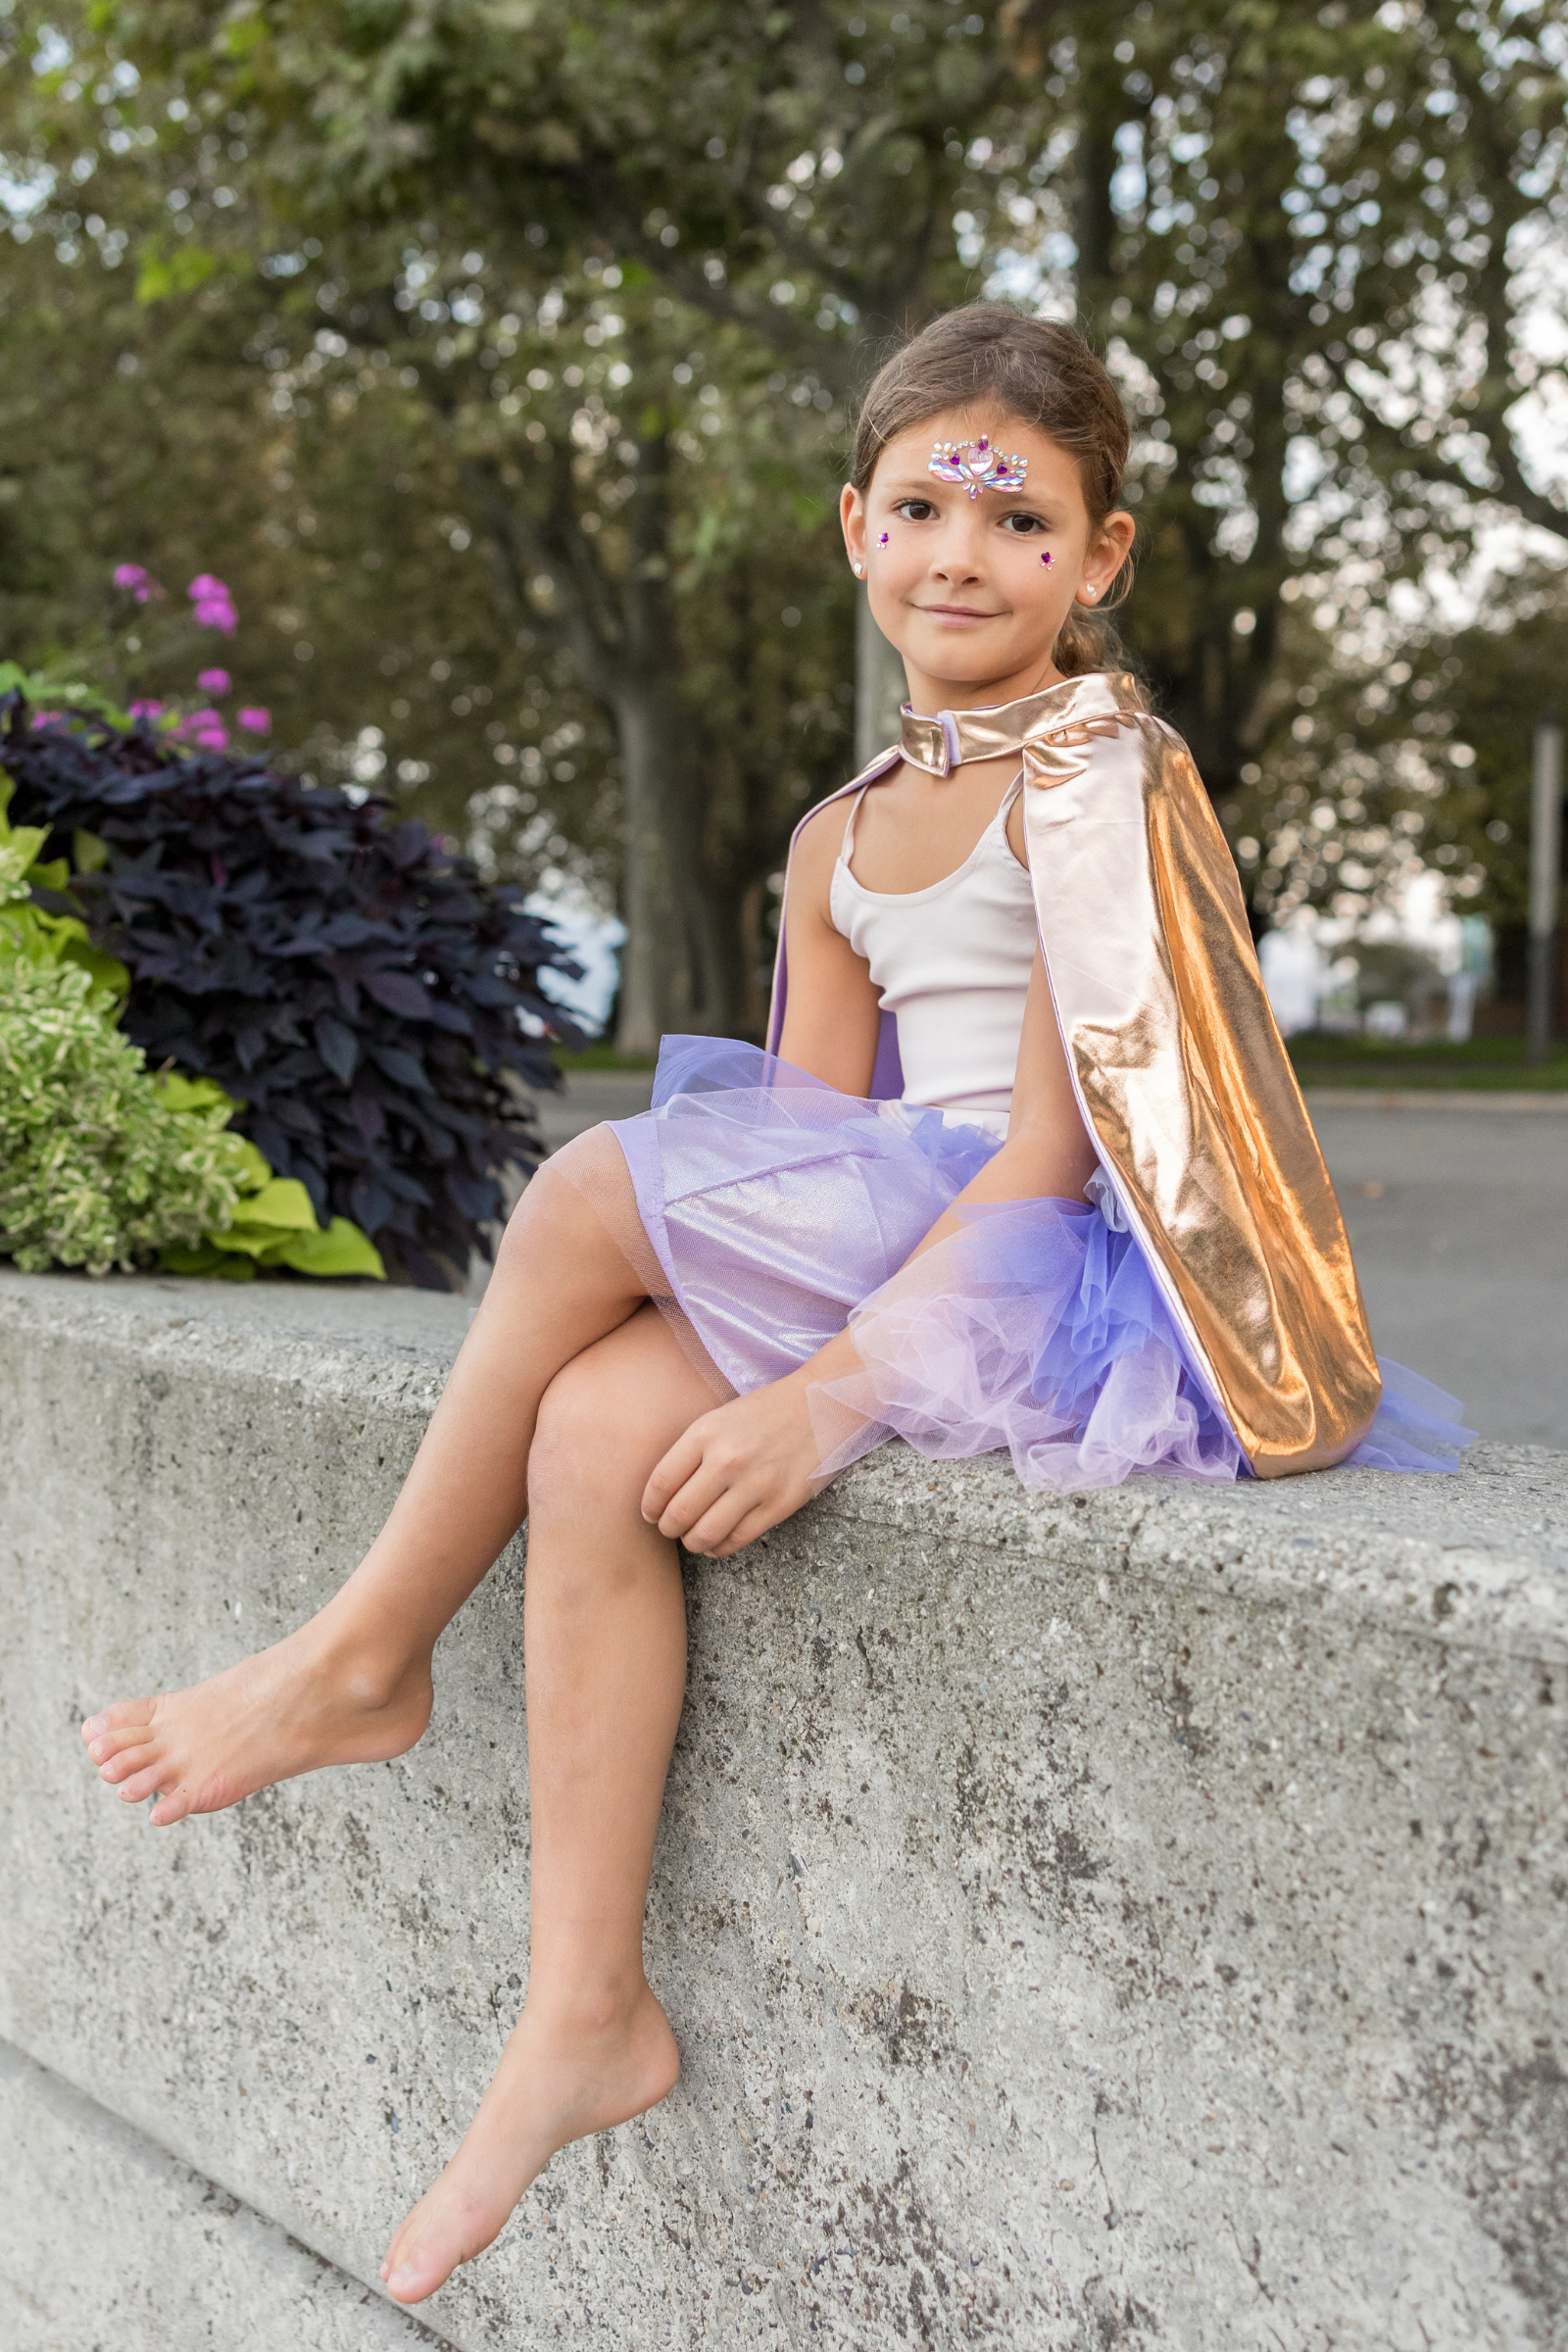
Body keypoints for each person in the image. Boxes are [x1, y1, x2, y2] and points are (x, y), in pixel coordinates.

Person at [77, 305, 1471, 2308]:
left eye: (1018, 520)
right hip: (883, 1214)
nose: (961, 556)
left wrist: (829, 1395)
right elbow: (796, 1147)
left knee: (584, 1182)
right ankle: (585, 2008)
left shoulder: (1102, 776)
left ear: (1098, 557)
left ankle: (368, 1650)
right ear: (852, 527)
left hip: (1031, 1256)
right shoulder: (837, 832)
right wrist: (763, 1328)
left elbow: (1050, 1152)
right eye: (922, 508)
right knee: (590, 1430)